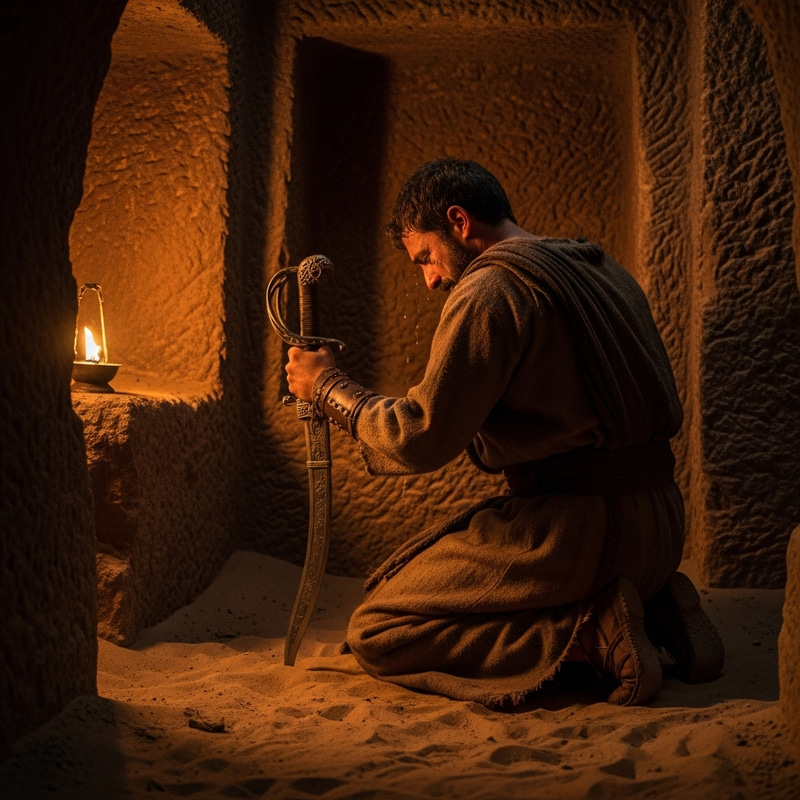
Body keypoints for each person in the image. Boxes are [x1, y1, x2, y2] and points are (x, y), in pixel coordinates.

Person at [285, 157, 724, 707]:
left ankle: (592, 635)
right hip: (661, 526)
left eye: (425, 256)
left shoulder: (490, 289)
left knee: (377, 629)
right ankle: (656, 605)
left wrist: (328, 388)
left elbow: (420, 436)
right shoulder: (602, 267)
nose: (430, 279)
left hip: (578, 534)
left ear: (459, 222)